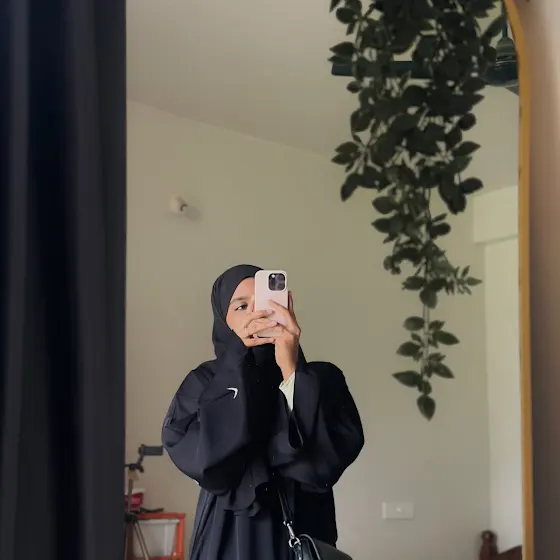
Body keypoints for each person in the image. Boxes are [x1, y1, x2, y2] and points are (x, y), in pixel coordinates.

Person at [162, 264, 364, 560]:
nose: (256, 314)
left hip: (301, 534)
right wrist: (236, 367)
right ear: (223, 320)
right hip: (227, 536)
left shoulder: (323, 379)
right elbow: (206, 463)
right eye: (242, 306)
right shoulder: (204, 382)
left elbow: (322, 468)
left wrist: (292, 372)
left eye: (265, 303)